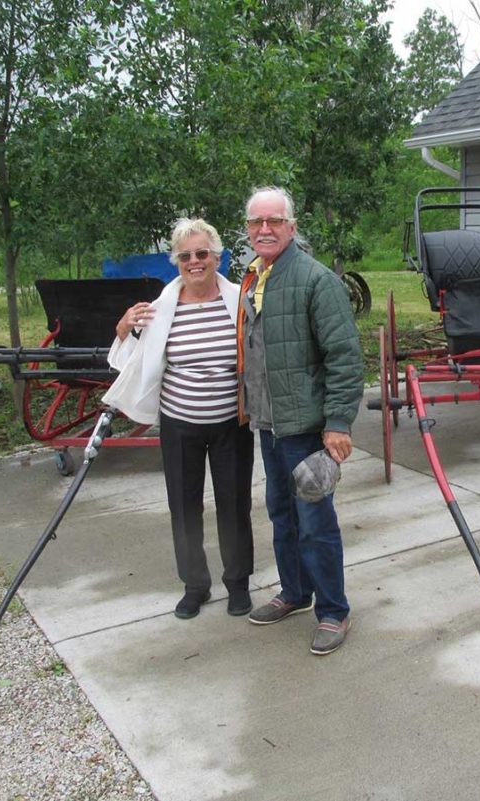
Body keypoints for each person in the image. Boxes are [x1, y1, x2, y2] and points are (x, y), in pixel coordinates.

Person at [103, 218, 254, 620]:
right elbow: (128, 359)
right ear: (176, 262)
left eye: (202, 253)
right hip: (179, 423)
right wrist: (122, 327)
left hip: (231, 423)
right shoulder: (160, 308)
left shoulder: (240, 300)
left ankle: (238, 583)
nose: (194, 262)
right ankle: (195, 585)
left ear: (217, 257)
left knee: (234, 505)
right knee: (184, 508)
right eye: (185, 256)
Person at [237, 186, 364, 655]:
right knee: (281, 514)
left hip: (307, 428)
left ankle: (333, 611)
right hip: (269, 424)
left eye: (274, 221)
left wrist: (338, 422)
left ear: (291, 226)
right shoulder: (254, 277)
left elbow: (344, 356)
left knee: (315, 523)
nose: (264, 229)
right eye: (256, 222)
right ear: (247, 229)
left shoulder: (316, 280)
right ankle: (294, 592)